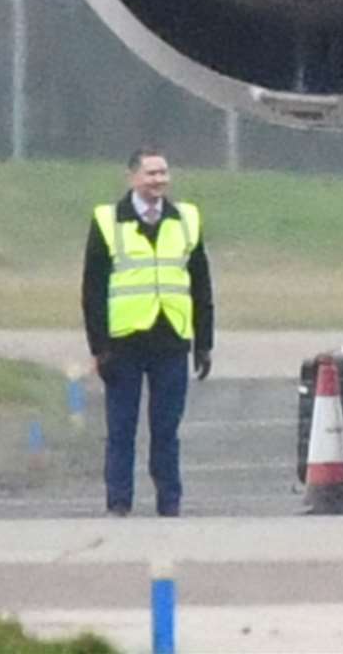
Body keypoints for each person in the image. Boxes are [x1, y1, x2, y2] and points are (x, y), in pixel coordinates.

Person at [82, 146, 214, 518]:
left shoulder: (186, 219)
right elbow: (92, 289)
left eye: (163, 173)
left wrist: (203, 343)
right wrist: (99, 347)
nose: (158, 180)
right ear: (133, 178)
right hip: (124, 342)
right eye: (151, 173)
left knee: (166, 430)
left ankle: (169, 501)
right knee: (121, 429)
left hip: (171, 338)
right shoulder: (108, 221)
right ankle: (119, 501)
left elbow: (201, 284)